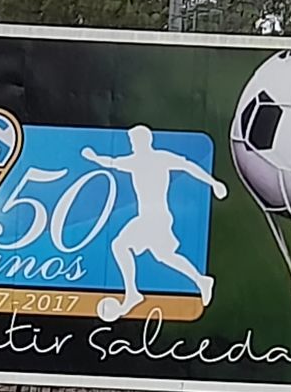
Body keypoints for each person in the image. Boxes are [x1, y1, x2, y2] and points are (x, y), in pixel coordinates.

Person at [81, 125, 227, 323]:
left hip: (154, 217)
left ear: (144, 141)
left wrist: (213, 183)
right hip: (153, 217)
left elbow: (188, 166)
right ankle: (201, 280)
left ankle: (132, 293)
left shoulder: (156, 158)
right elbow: (112, 163)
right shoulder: (135, 161)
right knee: (165, 256)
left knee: (120, 245)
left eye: (134, 142)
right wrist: (93, 157)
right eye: (131, 142)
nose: (132, 145)